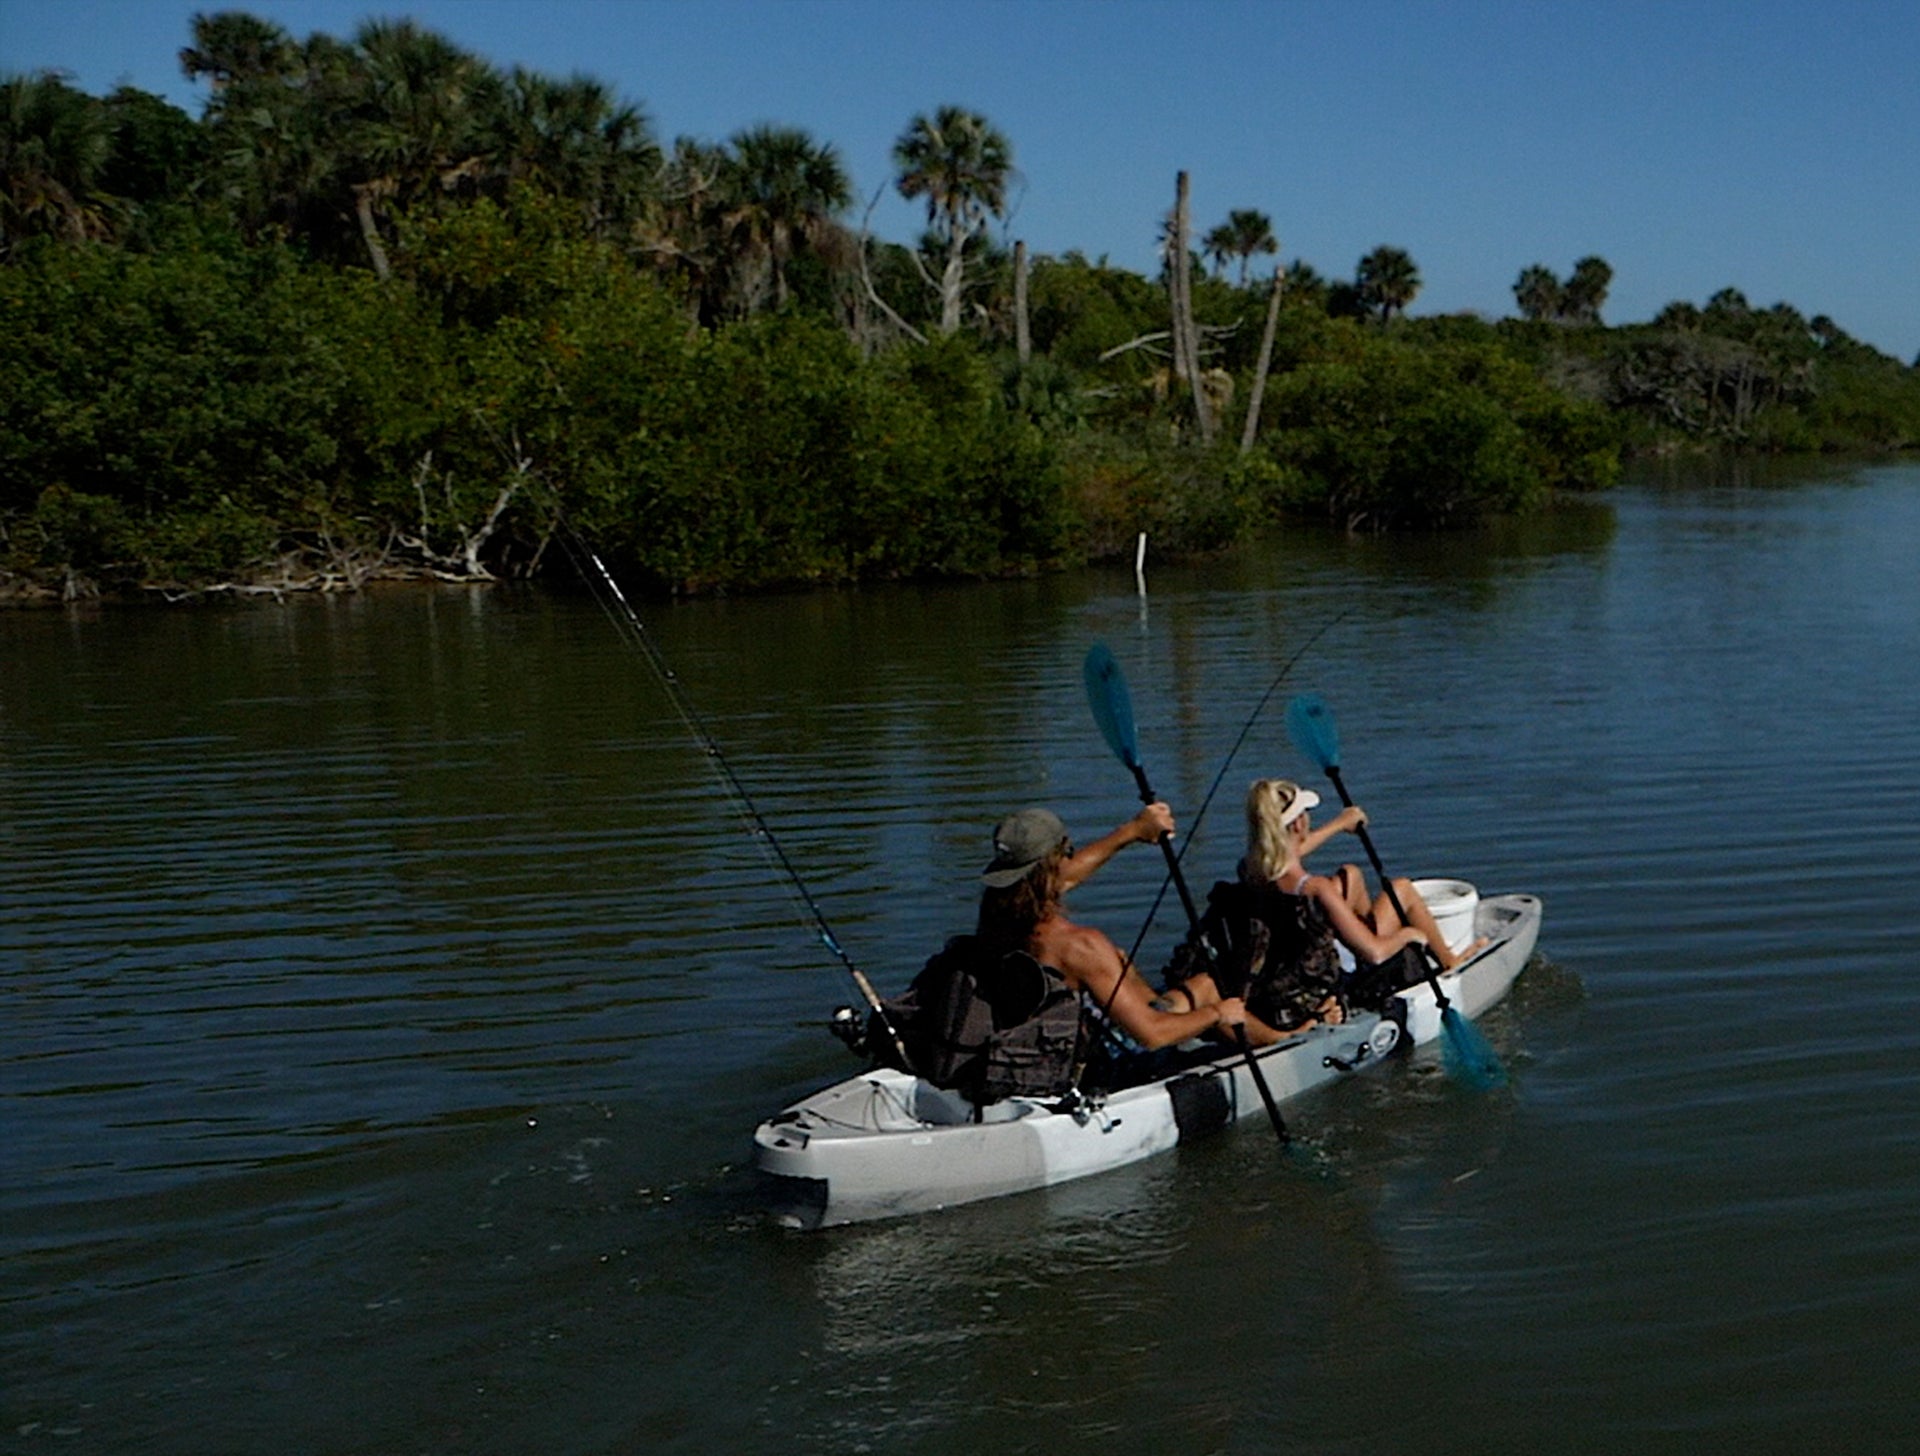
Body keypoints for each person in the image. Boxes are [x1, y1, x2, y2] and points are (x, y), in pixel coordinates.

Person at [975, 803, 1247, 1056]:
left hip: (1035, 1053)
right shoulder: (1081, 945)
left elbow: (1064, 876)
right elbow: (1152, 1036)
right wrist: (1218, 1013)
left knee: (1200, 985)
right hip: (1104, 1065)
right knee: (1209, 993)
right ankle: (1277, 1043)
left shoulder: (995, 916)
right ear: (1056, 861)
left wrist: (1133, 831)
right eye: (1067, 851)